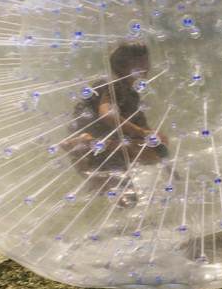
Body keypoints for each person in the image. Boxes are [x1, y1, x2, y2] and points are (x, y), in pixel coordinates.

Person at [60, 41, 168, 206]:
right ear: (122, 65)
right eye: (139, 62)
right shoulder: (114, 84)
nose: (146, 66)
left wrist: (161, 153)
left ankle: (85, 146)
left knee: (105, 192)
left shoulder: (131, 94)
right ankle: (87, 143)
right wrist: (141, 132)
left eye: (146, 60)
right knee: (125, 199)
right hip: (100, 144)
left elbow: (150, 136)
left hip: (100, 148)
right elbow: (108, 115)